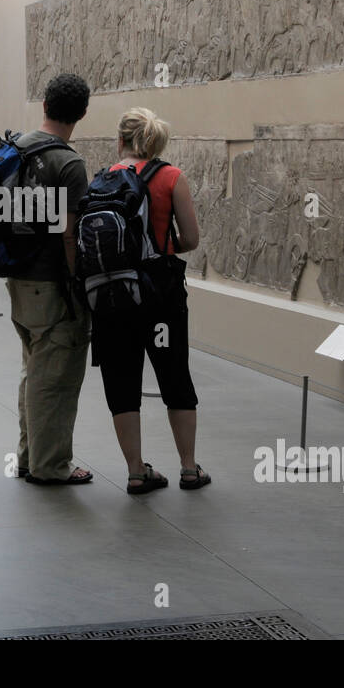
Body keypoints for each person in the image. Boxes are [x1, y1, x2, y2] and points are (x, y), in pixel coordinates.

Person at [93, 108, 207, 493]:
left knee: (122, 380)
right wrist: (159, 246)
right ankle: (189, 468)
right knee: (174, 373)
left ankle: (136, 471)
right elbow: (190, 239)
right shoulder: (171, 177)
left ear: (120, 140)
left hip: (113, 296)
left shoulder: (103, 181)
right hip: (160, 296)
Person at [8, 73, 93, 486]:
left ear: (44, 105)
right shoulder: (69, 163)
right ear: (81, 114)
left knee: (35, 369)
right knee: (55, 378)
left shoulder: (17, 149)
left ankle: (28, 456)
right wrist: (80, 285)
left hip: (18, 279)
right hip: (52, 284)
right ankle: (51, 464)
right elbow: (69, 234)